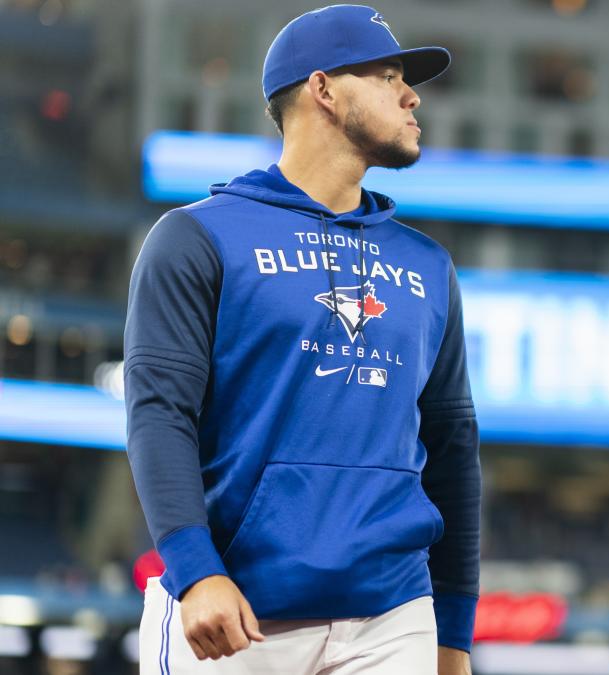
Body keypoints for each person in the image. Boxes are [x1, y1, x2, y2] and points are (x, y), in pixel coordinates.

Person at [124, 5, 479, 673]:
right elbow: (158, 414)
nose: (411, 96)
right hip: (237, 608)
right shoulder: (198, 238)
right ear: (323, 89)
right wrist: (195, 569)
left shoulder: (428, 264)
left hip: (393, 612)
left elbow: (453, 447)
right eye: (388, 76)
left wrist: (453, 628)